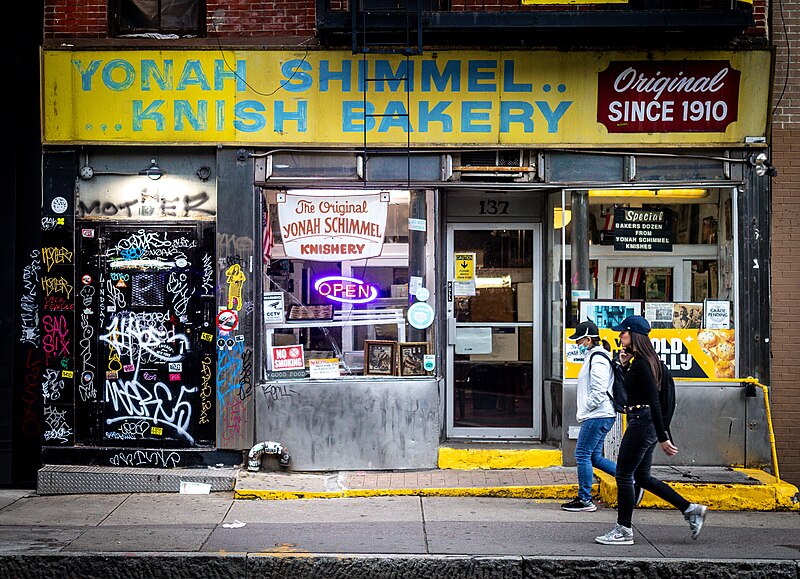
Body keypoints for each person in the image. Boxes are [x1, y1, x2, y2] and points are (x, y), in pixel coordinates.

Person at [595, 315, 708, 545]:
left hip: (642, 423)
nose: (619, 336)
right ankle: (690, 509)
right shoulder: (642, 361)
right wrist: (623, 366)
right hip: (644, 423)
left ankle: (623, 530)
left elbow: (654, 401)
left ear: (633, 335)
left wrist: (663, 435)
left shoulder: (642, 364)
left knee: (624, 474)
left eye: (623, 333)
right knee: (642, 477)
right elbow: (634, 394)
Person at [561, 321, 617, 513]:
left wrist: (587, 407)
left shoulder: (598, 358)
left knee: (582, 454)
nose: (577, 344)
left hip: (597, 415)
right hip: (600, 414)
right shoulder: (594, 355)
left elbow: (599, 390)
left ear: (588, 339)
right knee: (594, 456)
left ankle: (585, 499)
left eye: (579, 340)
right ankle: (631, 478)